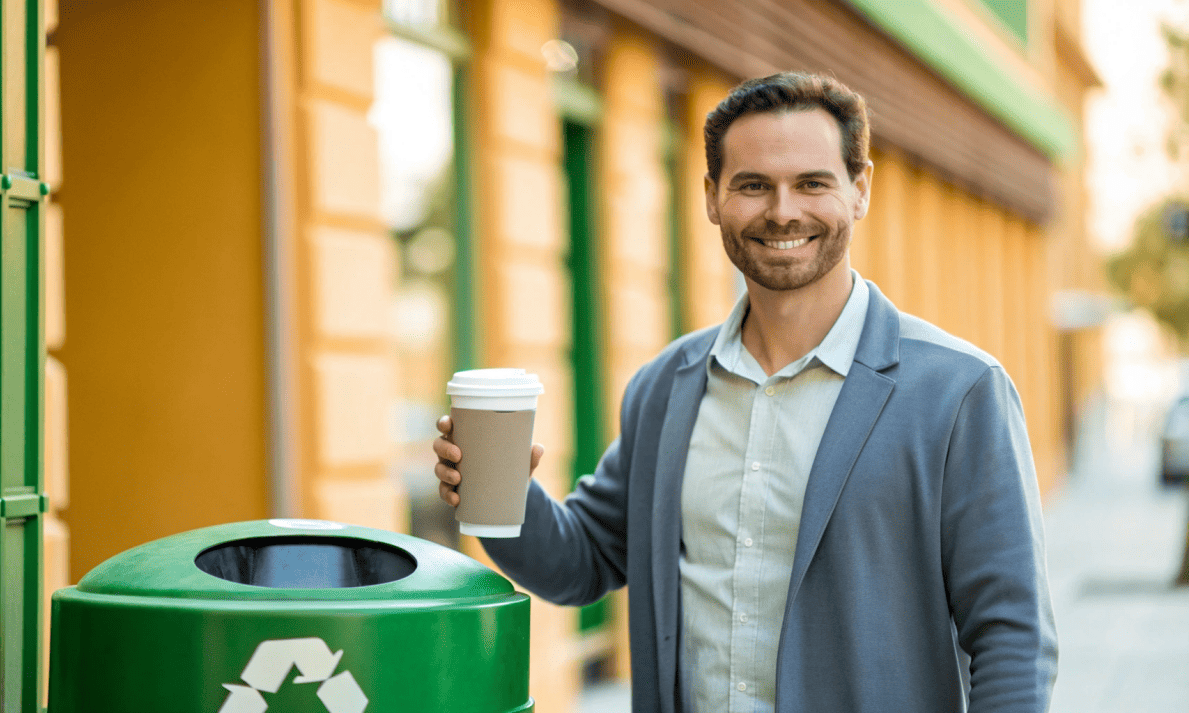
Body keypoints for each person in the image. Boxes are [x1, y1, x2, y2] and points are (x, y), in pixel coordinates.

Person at [433, 71, 1056, 713]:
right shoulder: (665, 388)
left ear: (860, 188)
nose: (782, 211)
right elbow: (580, 561)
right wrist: (497, 492)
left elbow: (1011, 634)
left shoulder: (958, 393)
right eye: (753, 185)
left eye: (812, 183)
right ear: (711, 197)